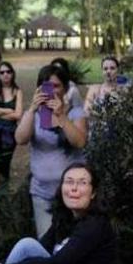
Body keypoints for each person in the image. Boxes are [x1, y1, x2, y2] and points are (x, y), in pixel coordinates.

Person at [15, 65, 87, 238]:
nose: (52, 91)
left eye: (57, 86)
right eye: (47, 86)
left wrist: (61, 116)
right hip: (42, 192)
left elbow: (79, 141)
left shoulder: (75, 112)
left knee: (72, 242)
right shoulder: (34, 115)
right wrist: (32, 109)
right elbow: (20, 139)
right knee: (47, 241)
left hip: (72, 192)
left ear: (65, 88)